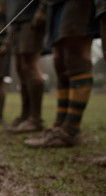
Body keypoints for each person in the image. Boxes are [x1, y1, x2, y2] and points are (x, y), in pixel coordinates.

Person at [25, 0, 99, 147]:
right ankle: (59, 125)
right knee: (59, 59)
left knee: (75, 54)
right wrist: (43, 6)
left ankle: (71, 129)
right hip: (55, 3)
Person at [7, 0, 46, 133]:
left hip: (31, 19)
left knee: (30, 67)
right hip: (17, 23)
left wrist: (42, 8)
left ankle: (35, 119)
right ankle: (25, 115)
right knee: (21, 69)